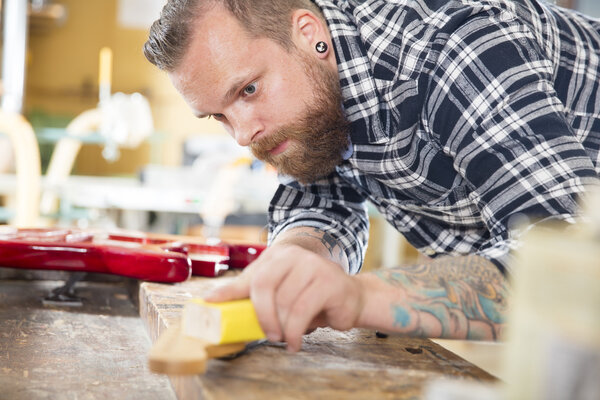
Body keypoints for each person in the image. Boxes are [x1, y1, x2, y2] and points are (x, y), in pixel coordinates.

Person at [144, 0, 600, 352]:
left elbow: (572, 274)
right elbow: (320, 200)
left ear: (309, 35)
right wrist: (295, 259)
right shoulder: (314, 87)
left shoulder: (449, 48)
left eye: (248, 90)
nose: (243, 135)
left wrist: (357, 298)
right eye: (219, 116)